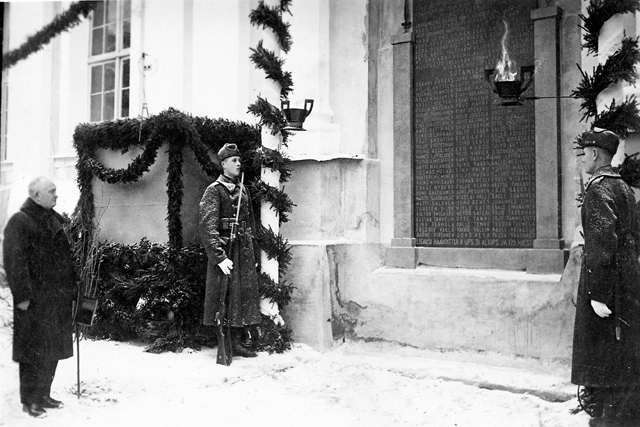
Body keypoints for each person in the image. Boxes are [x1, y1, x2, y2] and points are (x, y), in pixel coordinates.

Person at [571, 129, 640, 423]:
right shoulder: (622, 187)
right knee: (623, 352)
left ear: (596, 154)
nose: (583, 158)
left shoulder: (599, 189)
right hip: (627, 279)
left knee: (605, 355)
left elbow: (601, 247)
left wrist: (598, 294)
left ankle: (608, 419)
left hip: (607, 284)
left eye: (584, 152)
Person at [3, 177, 76, 418]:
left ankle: (44, 394)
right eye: (52, 192)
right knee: (32, 351)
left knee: (52, 348)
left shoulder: (52, 219)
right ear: (36, 196)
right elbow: (15, 262)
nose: (56, 196)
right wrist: (22, 297)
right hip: (33, 301)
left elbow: (64, 259)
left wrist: (71, 288)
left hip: (55, 298)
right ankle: (30, 400)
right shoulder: (20, 221)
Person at [199, 143, 262, 359]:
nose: (238, 163)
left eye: (239, 159)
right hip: (227, 251)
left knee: (241, 297)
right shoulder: (214, 191)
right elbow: (208, 226)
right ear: (223, 163)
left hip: (243, 252)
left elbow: (251, 224)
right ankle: (225, 342)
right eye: (233, 160)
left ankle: (238, 342)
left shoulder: (243, 190)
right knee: (224, 298)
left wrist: (253, 252)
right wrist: (219, 256)